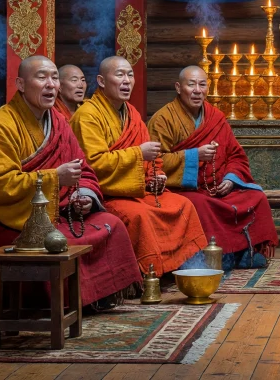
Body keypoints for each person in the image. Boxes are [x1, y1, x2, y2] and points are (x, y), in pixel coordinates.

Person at [0, 56, 140, 310]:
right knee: (56, 243)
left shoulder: (58, 123)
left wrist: (82, 195)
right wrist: (54, 178)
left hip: (57, 211)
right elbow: (0, 187)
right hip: (8, 218)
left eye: (54, 78)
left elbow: (83, 169)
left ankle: (97, 295)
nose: (51, 85)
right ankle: (61, 302)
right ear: (21, 84)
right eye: (41, 77)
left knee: (111, 224)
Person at [71, 56, 209, 277]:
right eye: (120, 75)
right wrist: (138, 154)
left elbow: (153, 159)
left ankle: (183, 269)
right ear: (101, 81)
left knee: (183, 205)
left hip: (137, 190)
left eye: (130, 75)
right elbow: (93, 163)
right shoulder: (87, 116)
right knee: (140, 217)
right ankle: (149, 275)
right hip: (109, 194)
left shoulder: (132, 114)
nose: (127, 81)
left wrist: (157, 176)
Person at [148, 66, 278, 269]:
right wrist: (193, 156)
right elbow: (154, 163)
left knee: (257, 197)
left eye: (202, 84)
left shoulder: (215, 117)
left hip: (218, 185)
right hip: (183, 188)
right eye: (191, 84)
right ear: (178, 87)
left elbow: (235, 154)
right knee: (200, 204)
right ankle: (218, 256)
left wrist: (230, 179)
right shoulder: (163, 119)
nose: (197, 90)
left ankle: (245, 250)